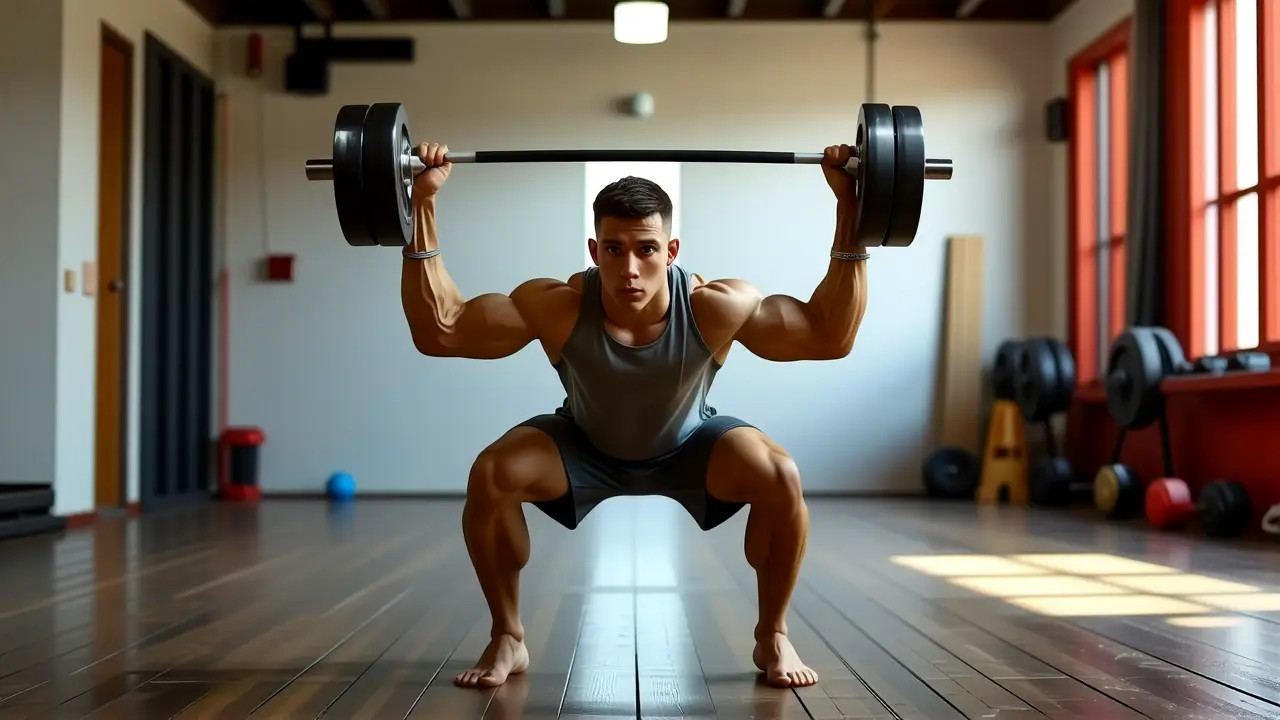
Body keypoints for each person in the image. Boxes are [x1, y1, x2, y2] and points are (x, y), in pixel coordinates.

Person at [400, 141, 868, 690]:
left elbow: (829, 337)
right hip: (582, 445)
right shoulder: (559, 305)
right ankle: (507, 634)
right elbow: (443, 331)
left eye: (646, 249)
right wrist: (422, 203)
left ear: (670, 249)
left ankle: (772, 633)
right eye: (615, 249)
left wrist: (852, 212)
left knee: (780, 474)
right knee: (492, 473)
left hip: (691, 445)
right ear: (594, 249)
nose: (630, 268)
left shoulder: (714, 306)